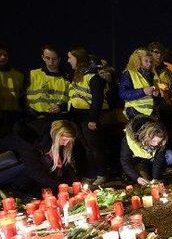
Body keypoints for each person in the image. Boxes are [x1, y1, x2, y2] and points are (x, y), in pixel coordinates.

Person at [67, 47, 108, 185]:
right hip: (78, 117)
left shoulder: (93, 76)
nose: (68, 61)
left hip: (88, 117)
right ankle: (92, 174)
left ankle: (101, 174)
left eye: (70, 58)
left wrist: (93, 119)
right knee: (88, 148)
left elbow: (97, 99)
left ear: (78, 58)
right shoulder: (78, 75)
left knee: (95, 147)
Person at [0, 119, 77, 190]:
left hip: (23, 169)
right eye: (64, 140)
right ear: (56, 135)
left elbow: (66, 164)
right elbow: (33, 170)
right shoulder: (28, 138)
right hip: (6, 166)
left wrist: (74, 182)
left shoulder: (51, 138)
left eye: (69, 141)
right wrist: (59, 186)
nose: (65, 144)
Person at [120, 116, 170, 185]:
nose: (156, 144)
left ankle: (150, 174)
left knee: (170, 156)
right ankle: (141, 173)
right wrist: (137, 177)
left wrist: (155, 177)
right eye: (153, 141)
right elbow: (125, 161)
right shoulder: (129, 139)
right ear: (146, 137)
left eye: (159, 142)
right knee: (137, 175)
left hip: (150, 160)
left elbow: (159, 159)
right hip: (135, 161)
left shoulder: (161, 137)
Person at [26, 45, 70, 120]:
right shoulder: (32, 74)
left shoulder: (68, 78)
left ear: (59, 59)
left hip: (58, 120)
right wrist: (33, 115)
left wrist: (62, 107)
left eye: (54, 59)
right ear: (43, 57)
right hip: (35, 120)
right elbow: (22, 98)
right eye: (48, 58)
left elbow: (73, 101)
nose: (51, 61)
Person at [119, 48, 158, 119]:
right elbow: (123, 94)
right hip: (134, 111)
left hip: (149, 112)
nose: (149, 63)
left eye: (151, 61)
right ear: (138, 61)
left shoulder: (151, 75)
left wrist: (156, 94)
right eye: (146, 61)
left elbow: (151, 97)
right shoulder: (128, 74)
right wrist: (143, 91)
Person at [0, 42, 25, 136]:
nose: (2, 57)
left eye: (5, 55)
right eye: (0, 55)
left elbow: (23, 98)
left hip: (12, 118)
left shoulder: (19, 76)